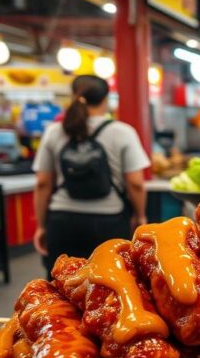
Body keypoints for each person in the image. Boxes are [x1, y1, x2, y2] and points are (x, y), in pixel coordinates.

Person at [33, 75, 150, 274]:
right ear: (105, 99)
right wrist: (140, 217)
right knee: (110, 283)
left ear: (73, 96)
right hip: (109, 222)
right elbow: (136, 183)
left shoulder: (54, 131)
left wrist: (41, 226)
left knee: (61, 283)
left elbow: (43, 183)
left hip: (62, 221)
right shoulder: (123, 132)